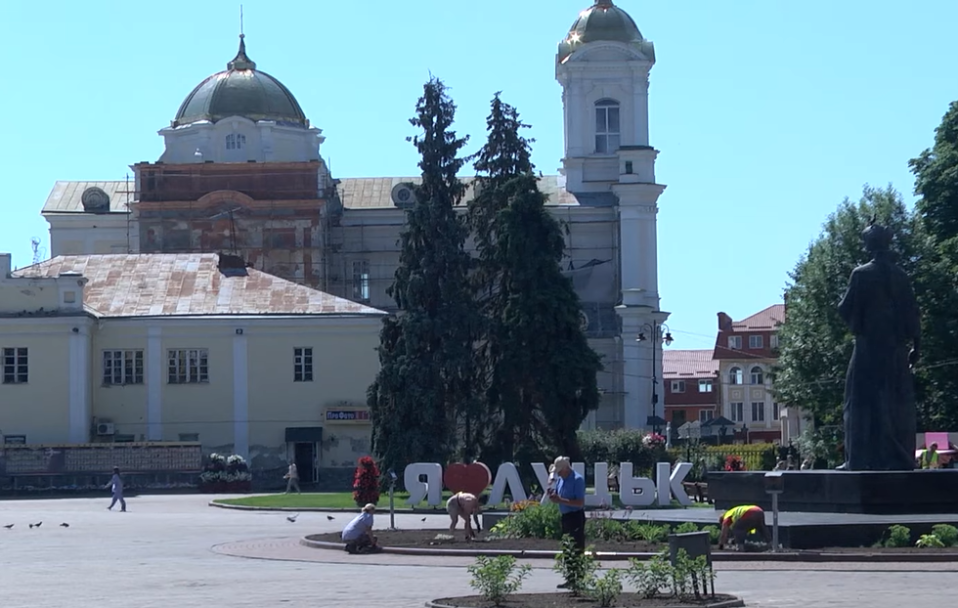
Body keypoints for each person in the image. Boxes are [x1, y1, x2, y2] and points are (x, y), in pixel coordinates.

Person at [837, 220, 921, 471]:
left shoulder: (861, 274)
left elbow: (845, 309)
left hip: (868, 349)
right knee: (895, 401)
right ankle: (897, 455)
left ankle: (859, 459)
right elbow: (912, 313)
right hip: (895, 349)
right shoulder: (901, 275)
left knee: (859, 401)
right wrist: (917, 345)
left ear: (868, 245)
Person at [549, 456, 585, 589]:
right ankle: (570, 578)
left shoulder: (577, 479)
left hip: (575, 516)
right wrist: (553, 496)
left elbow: (580, 503)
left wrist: (560, 500)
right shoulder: (560, 480)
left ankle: (579, 579)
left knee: (577, 547)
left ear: (566, 468)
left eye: (559, 470)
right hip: (565, 517)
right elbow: (559, 496)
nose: (557, 473)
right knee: (567, 548)